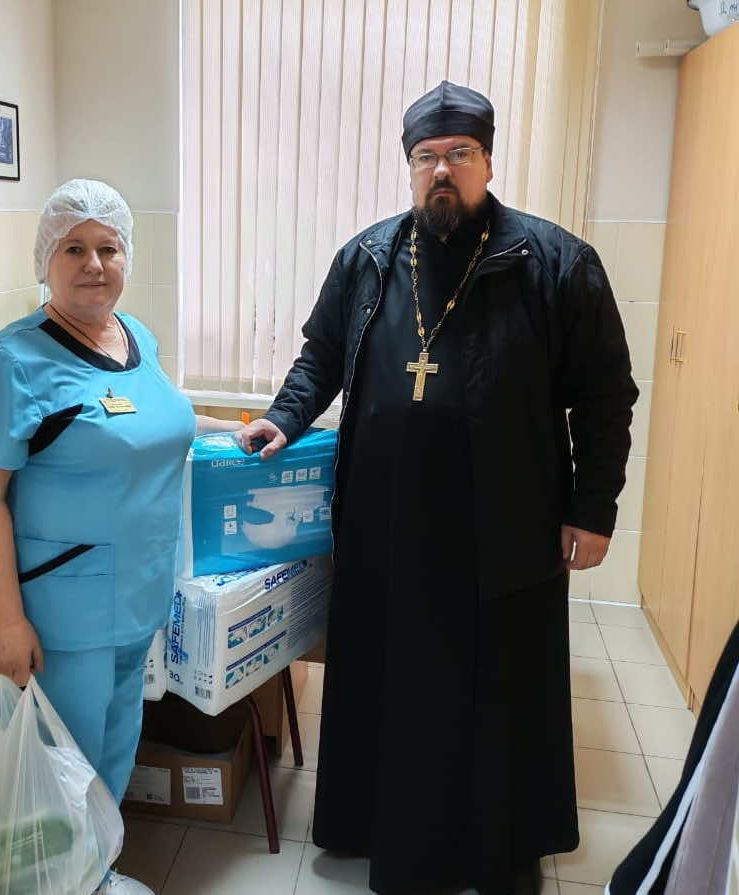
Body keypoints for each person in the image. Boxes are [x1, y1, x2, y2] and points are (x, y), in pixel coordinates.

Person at [239, 81, 639, 895]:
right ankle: (379, 826)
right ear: (410, 167)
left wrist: (593, 509)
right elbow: (321, 356)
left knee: (495, 688)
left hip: (506, 524)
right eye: (427, 156)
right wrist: (283, 417)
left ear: (488, 160)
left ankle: (496, 848)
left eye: (460, 153)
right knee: (396, 682)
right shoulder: (367, 258)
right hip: (387, 523)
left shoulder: (556, 264)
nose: (442, 170)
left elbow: (606, 397)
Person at [0, 179, 239, 895]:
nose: (94, 264)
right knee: (60, 776)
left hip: (136, 597)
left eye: (108, 248)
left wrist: (233, 430)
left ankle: (94, 878)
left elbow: (156, 420)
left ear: (127, 256)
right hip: (58, 614)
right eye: (73, 248)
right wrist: (9, 623)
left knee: (111, 757)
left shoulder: (135, 335)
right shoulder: (9, 363)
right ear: (45, 261)